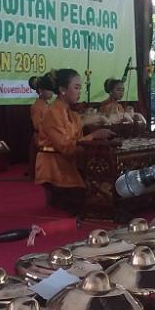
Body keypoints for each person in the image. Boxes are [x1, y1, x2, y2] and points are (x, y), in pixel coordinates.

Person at [35, 68, 114, 210]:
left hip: (69, 165)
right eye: (76, 88)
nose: (79, 91)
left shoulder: (72, 114)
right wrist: (94, 136)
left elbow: (78, 142)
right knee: (91, 202)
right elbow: (66, 148)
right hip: (54, 167)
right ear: (62, 90)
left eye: (80, 88)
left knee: (105, 193)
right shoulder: (52, 113)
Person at [28, 73, 55, 180]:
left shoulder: (47, 104)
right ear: (40, 90)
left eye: (52, 90)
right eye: (49, 90)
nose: (51, 92)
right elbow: (37, 125)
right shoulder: (37, 106)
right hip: (41, 137)